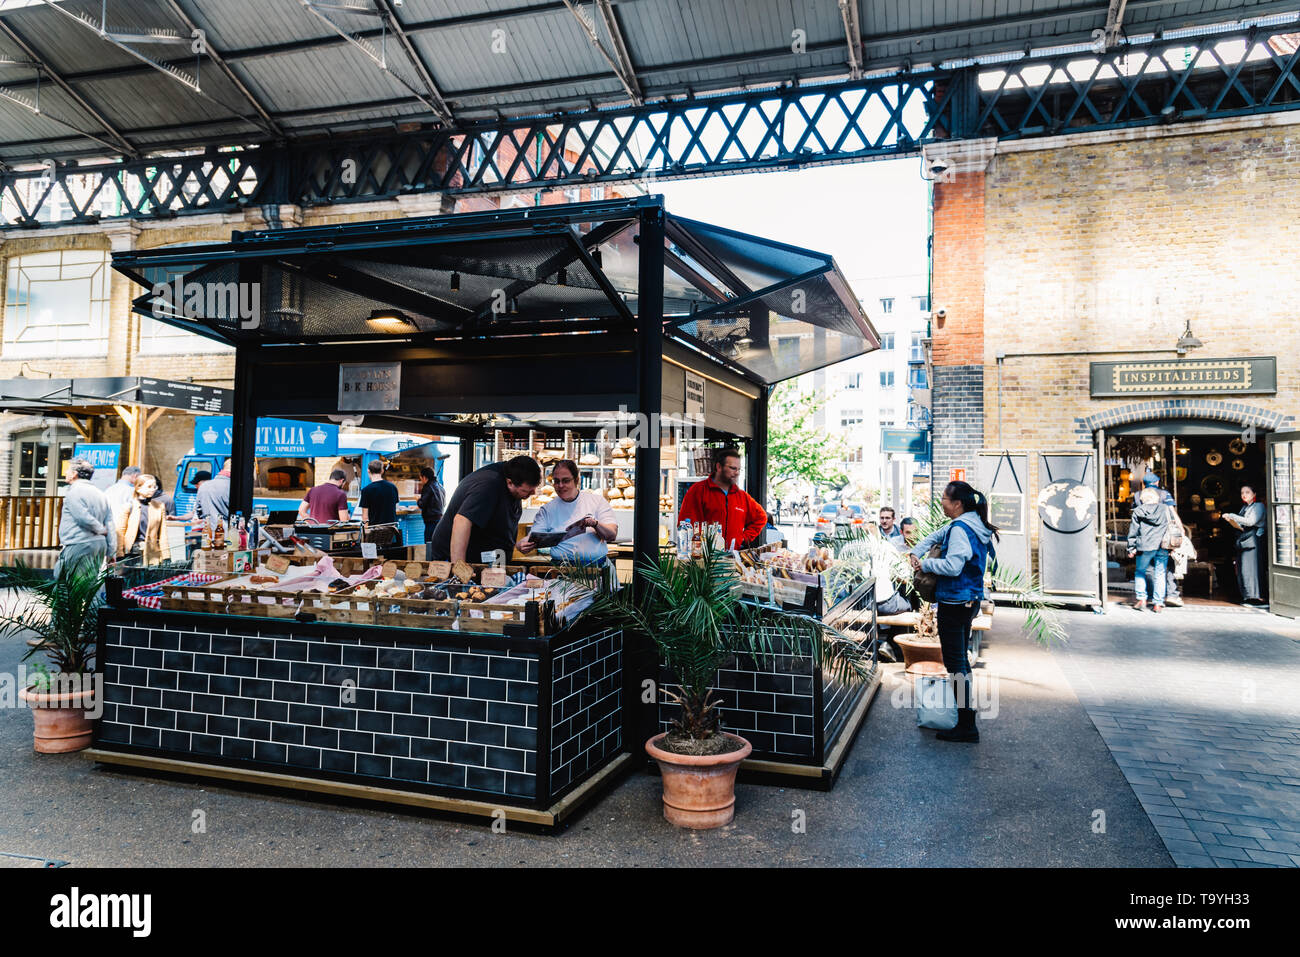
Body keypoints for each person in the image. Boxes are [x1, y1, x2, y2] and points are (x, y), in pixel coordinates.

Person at [908, 481, 998, 743]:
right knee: (959, 660)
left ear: (957, 504)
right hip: (968, 601)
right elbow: (937, 536)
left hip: (956, 602)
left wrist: (924, 563)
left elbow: (954, 566)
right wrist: (916, 550)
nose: (943, 503)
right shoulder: (971, 523)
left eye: (945, 500)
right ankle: (965, 718)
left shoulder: (960, 528)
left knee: (955, 662)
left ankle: (966, 725)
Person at [430, 455, 540, 563]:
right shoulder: (488, 485)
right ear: (509, 482)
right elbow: (461, 521)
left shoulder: (512, 480)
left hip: (489, 560)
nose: (533, 493)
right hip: (455, 557)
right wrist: (459, 570)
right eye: (527, 491)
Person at [518, 460, 616, 565]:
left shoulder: (597, 501)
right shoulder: (547, 510)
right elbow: (535, 536)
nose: (560, 485)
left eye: (566, 481)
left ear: (577, 480)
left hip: (596, 567)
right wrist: (522, 543)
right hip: (561, 568)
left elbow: (612, 535)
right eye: (556, 481)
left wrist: (595, 524)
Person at [678, 447, 767, 549]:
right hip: (704, 559)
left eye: (739, 469)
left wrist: (743, 538)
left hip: (732, 558)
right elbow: (686, 524)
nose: (737, 472)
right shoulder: (698, 491)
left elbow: (761, 517)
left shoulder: (742, 496)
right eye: (733, 468)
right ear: (719, 467)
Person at [55, 459, 114, 576]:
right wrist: (111, 551)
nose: (65, 473)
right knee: (88, 581)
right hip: (98, 544)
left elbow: (83, 516)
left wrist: (100, 529)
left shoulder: (74, 492)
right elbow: (110, 523)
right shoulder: (101, 494)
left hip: (80, 543)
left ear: (74, 474)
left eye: (67, 470)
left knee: (74, 583)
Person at [1141, 472, 1184, 607]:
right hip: (1163, 536)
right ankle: (1171, 595)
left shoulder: (1138, 495)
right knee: (1168, 564)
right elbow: (1172, 513)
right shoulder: (1164, 494)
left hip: (1145, 536)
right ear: (1157, 482)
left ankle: (1152, 595)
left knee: (1149, 567)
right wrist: (1180, 528)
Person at [1126, 485, 1171, 612]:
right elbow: (1170, 525)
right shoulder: (1164, 509)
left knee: (1140, 572)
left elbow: (1133, 531)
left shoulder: (1138, 511)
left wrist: (1131, 548)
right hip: (1162, 546)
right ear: (1156, 498)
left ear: (1142, 499)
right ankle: (1158, 603)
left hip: (1144, 546)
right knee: (1160, 573)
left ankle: (1141, 599)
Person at [1224, 485, 1266, 604]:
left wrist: (1232, 516)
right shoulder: (1245, 507)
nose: (1244, 495)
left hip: (1253, 540)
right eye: (1242, 492)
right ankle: (1248, 596)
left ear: (1254, 494)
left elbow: (1251, 521)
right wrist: (1232, 521)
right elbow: (1242, 524)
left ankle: (1257, 597)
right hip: (1245, 538)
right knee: (1244, 569)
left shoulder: (1259, 506)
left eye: (1247, 492)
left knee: (1253, 568)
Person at [116, 473, 168, 563]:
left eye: (154, 487)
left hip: (152, 553)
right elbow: (120, 531)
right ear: (138, 488)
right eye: (149, 487)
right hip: (132, 552)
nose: (152, 490)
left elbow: (163, 533)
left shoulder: (159, 506)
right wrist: (119, 554)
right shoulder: (129, 506)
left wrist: (166, 556)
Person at [357, 459, 399, 526]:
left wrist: (365, 532)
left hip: (374, 529)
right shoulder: (393, 487)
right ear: (382, 471)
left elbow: (365, 517)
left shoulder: (366, 490)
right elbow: (395, 508)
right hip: (391, 528)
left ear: (368, 471)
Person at [417, 466, 445, 561]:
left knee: (429, 545)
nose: (421, 481)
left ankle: (431, 566)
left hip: (431, 520)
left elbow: (422, 503)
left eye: (420, 478)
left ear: (425, 477)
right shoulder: (439, 485)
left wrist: (417, 501)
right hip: (439, 519)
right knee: (437, 543)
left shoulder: (428, 487)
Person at [197, 460, 231, 530]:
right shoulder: (234, 488)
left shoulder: (204, 486)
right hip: (229, 535)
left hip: (208, 535)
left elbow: (199, 512)